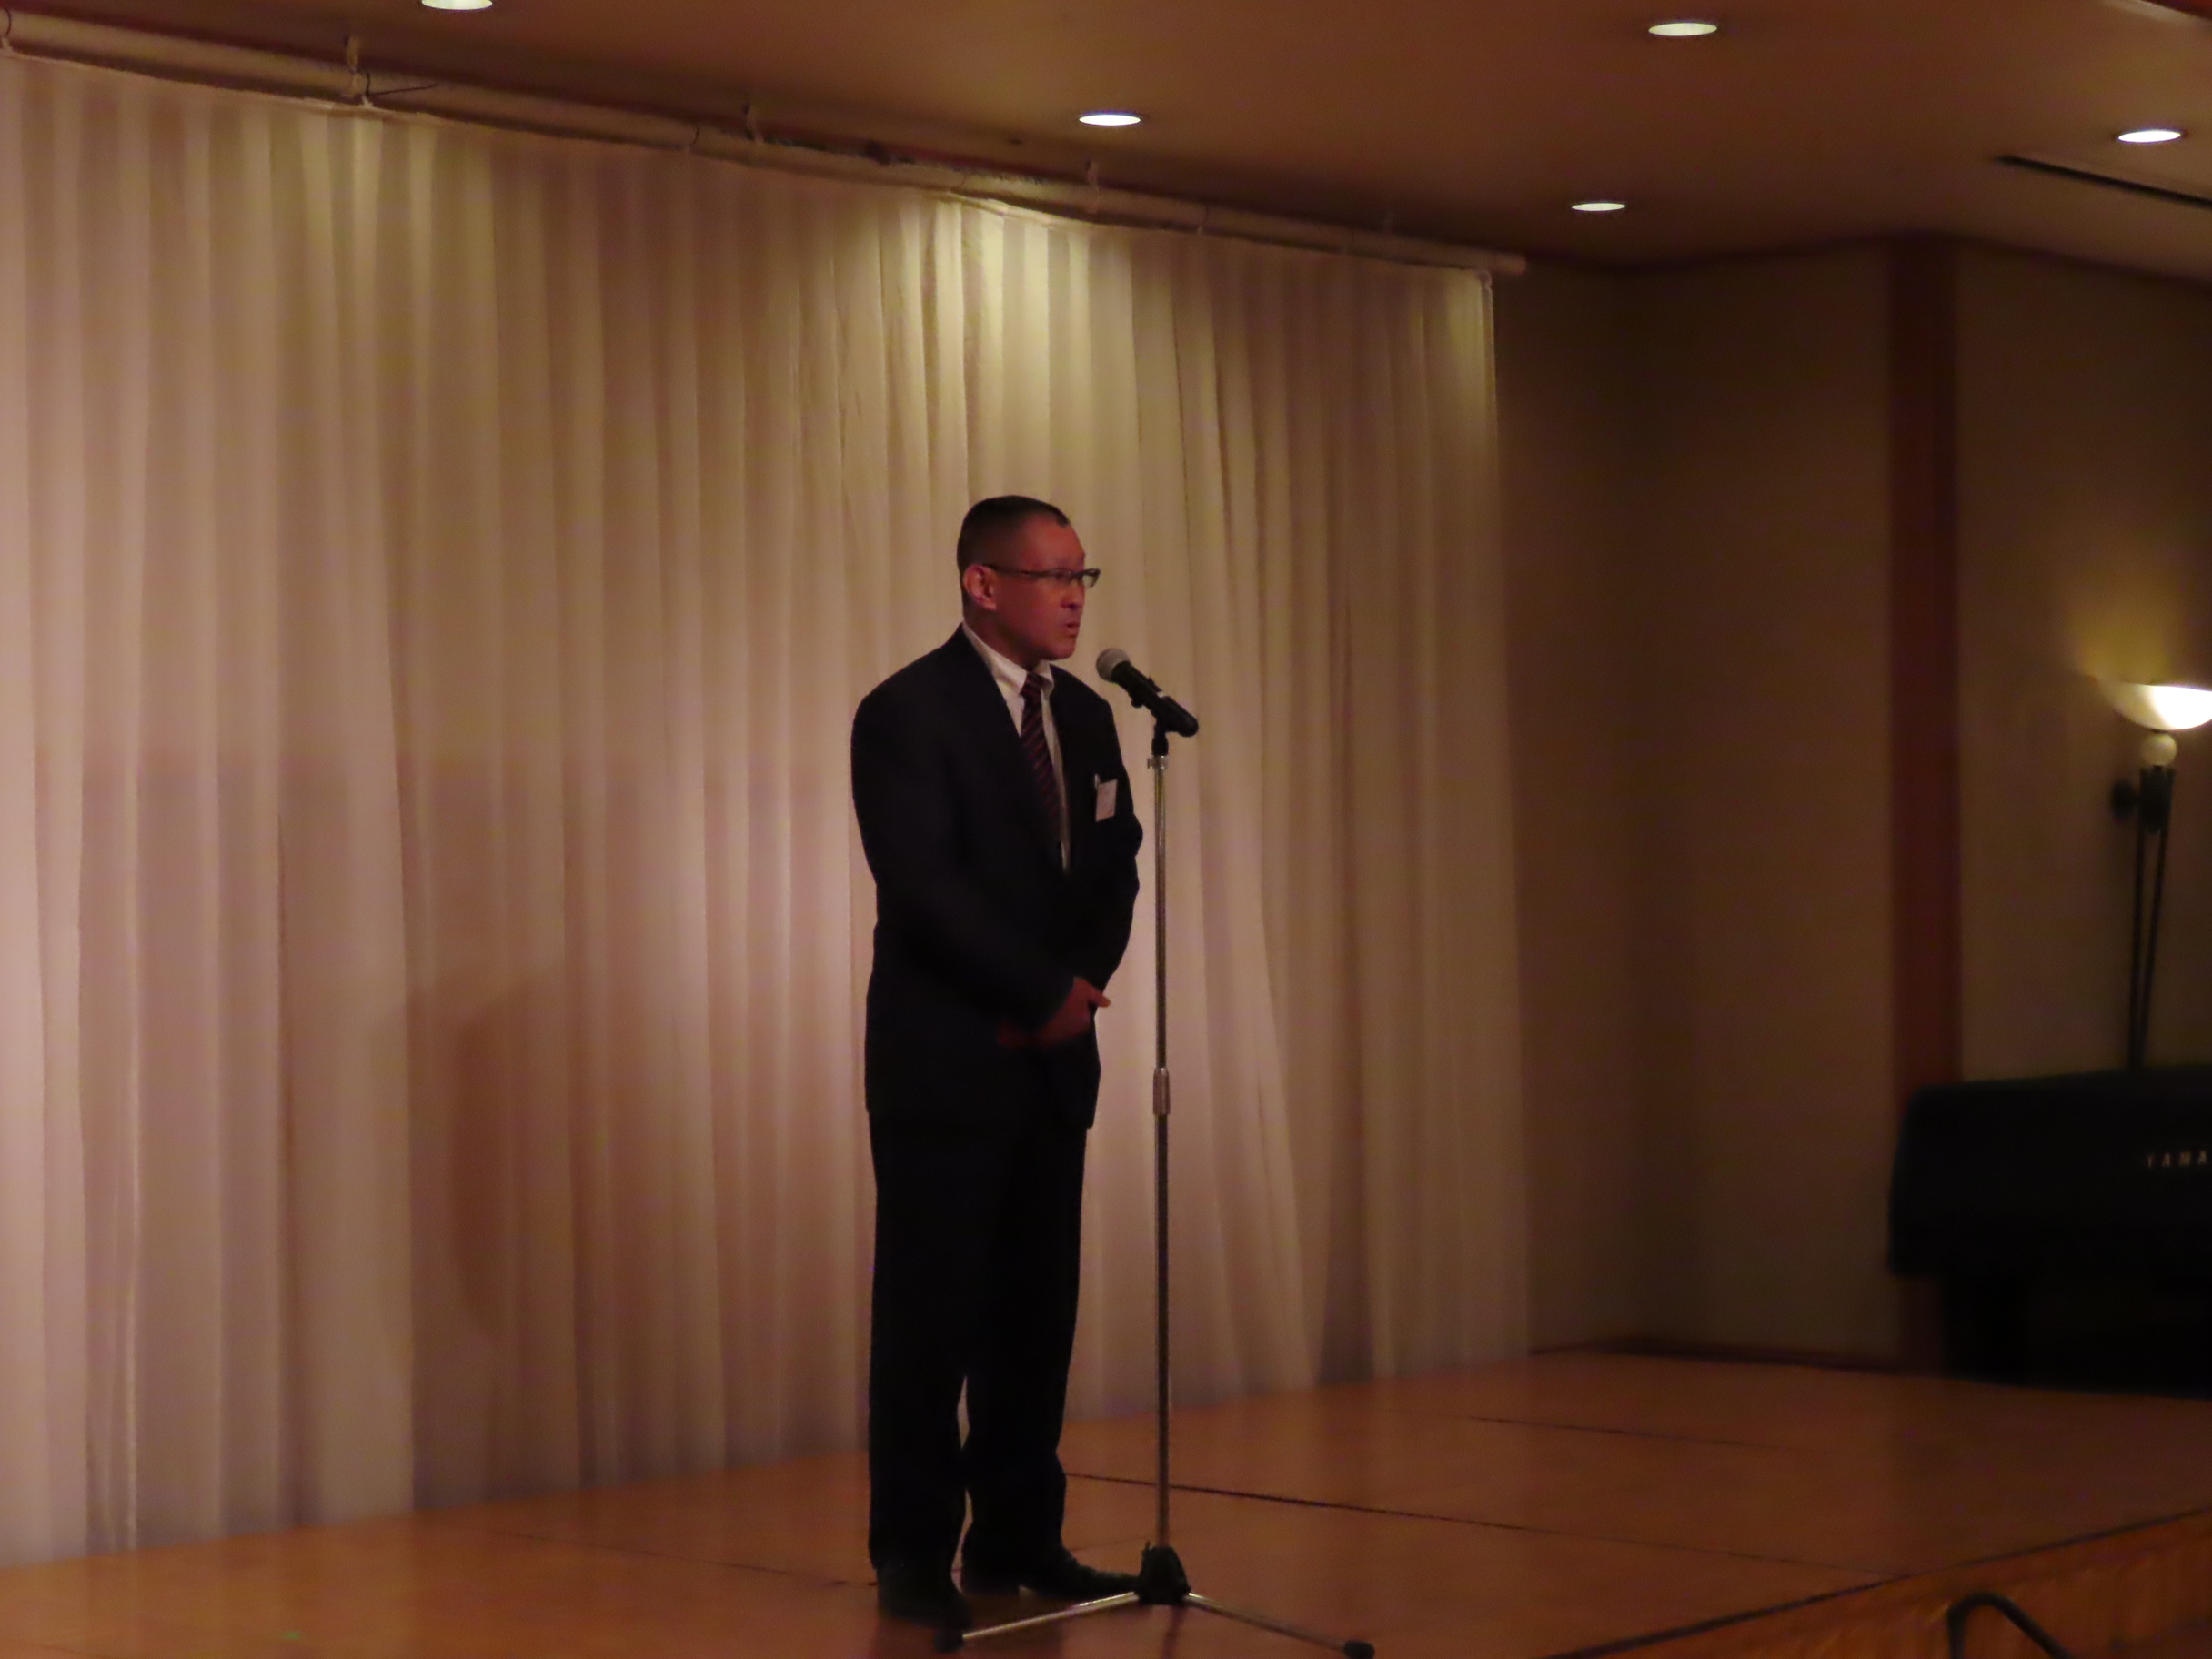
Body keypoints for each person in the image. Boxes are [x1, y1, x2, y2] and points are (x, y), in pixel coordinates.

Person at [850, 497, 1146, 1630]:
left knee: (1035, 1312)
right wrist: (1030, 994)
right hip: (948, 1057)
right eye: (1052, 576)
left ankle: (1018, 1533)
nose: (1073, 599)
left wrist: (1074, 992)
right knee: (931, 1316)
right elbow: (922, 884)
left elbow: (1113, 868)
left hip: (1051, 1060)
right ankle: (911, 1549)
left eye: (1082, 577)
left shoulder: (1088, 716)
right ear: (982, 584)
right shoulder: (906, 711)